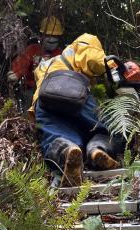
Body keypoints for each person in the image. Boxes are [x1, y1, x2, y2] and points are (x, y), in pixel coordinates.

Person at [29, 33, 123, 186]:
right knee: (106, 127)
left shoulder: (46, 64)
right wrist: (115, 69)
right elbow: (93, 59)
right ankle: (98, 149)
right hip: (73, 91)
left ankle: (66, 151)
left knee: (58, 136)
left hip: (44, 100)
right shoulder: (83, 42)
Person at [7, 16, 64, 95]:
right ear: (41, 35)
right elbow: (22, 62)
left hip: (53, 91)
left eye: (55, 36)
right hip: (31, 89)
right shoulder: (33, 49)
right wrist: (17, 73)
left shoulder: (62, 54)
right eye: (48, 35)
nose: (51, 39)